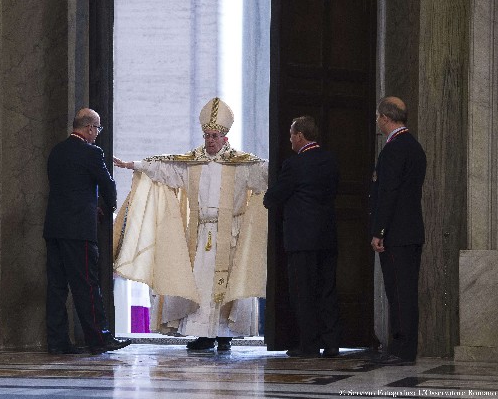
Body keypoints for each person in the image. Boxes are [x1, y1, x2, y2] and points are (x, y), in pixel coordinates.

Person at [113, 97, 268, 351]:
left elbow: (265, 174)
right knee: (199, 284)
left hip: (230, 234)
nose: (209, 140)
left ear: (225, 138)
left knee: (224, 284)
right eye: (206, 135)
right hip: (200, 233)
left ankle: (224, 334)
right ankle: (204, 334)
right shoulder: (192, 162)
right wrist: (134, 165)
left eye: (214, 136)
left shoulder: (241, 164)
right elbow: (164, 169)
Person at [43, 108, 131, 355]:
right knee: (87, 285)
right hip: (79, 230)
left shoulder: (56, 151)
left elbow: (66, 187)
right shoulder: (92, 152)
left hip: (54, 227)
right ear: (90, 128)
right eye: (97, 129)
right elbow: (107, 184)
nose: (97, 134)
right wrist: (107, 207)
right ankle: (99, 338)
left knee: (57, 287)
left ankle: (57, 341)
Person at [263, 116, 341, 358]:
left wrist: (269, 196)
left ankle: (309, 345)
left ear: (299, 136)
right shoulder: (331, 161)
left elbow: (273, 197)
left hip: (301, 240)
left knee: (303, 292)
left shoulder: (294, 165)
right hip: (327, 236)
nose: (289, 140)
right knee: (327, 290)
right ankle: (331, 343)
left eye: (290, 135)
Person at [370, 96, 426, 366]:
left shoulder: (394, 149)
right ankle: (403, 348)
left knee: (399, 293)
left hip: (397, 234)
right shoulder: (414, 146)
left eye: (378, 117)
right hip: (411, 231)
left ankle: (402, 350)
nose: (378, 121)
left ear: (385, 118)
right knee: (406, 291)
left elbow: (388, 193)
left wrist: (379, 231)